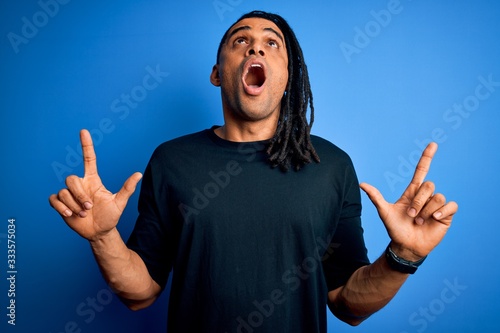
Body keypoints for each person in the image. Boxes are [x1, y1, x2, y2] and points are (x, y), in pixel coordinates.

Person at [49, 10, 458, 333]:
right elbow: (140, 292)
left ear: (288, 76)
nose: (255, 50)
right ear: (216, 73)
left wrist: (405, 255)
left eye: (270, 44)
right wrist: (103, 237)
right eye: (240, 40)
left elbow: (348, 305)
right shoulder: (172, 160)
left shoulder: (331, 166)